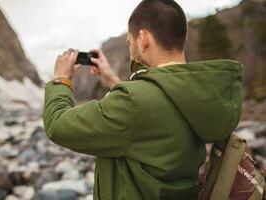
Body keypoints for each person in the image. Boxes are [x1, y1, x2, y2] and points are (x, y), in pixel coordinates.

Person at [43, 0, 243, 199]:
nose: (131, 52)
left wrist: (62, 79)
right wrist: (111, 79)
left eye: (130, 43)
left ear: (143, 38)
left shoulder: (133, 103)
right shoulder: (198, 94)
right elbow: (153, 106)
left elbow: (57, 125)